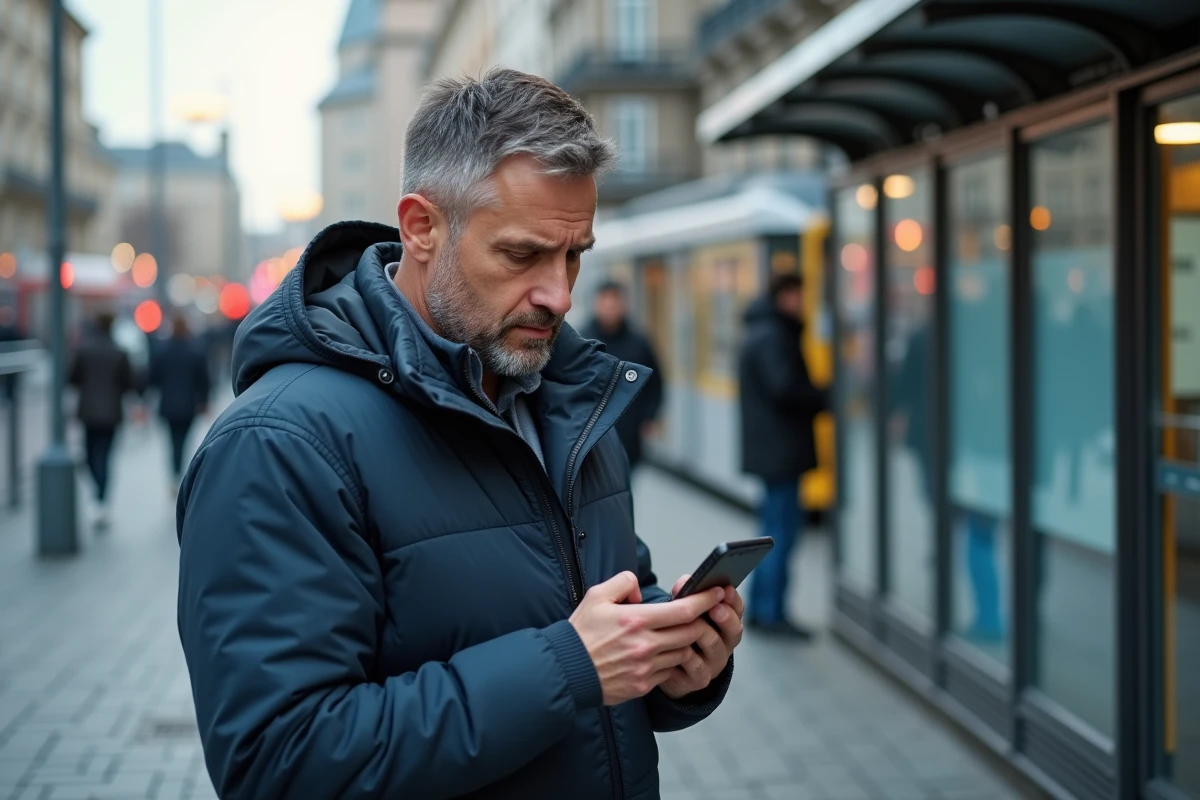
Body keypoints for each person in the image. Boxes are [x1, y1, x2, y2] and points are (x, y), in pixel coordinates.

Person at [177, 68, 742, 800]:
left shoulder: (562, 393)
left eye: (574, 255)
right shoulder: (277, 444)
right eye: (521, 255)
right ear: (421, 228)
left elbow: (602, 615)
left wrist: (675, 663)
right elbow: (279, 763)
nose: (559, 293)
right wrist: (568, 666)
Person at [737, 272, 827, 640]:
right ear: (786, 296)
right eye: (799, 296)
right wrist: (826, 395)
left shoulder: (761, 331)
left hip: (773, 452)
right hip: (781, 453)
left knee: (772, 532)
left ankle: (762, 610)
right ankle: (772, 614)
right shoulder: (775, 335)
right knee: (781, 534)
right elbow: (785, 390)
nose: (803, 304)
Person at [580, 280, 663, 470]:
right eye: (605, 301)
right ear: (596, 303)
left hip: (630, 429)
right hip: (590, 432)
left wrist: (650, 416)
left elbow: (655, 381)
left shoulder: (639, 342)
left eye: (615, 301)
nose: (610, 306)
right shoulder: (582, 341)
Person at [68, 312, 136, 529]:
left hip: (88, 412)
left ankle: (98, 497)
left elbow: (72, 378)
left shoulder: (83, 350)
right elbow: (128, 383)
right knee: (104, 456)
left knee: (89, 454)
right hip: (112, 412)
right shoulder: (119, 352)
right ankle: (101, 499)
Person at [149, 315, 211, 493]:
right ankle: (181, 473)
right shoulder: (195, 350)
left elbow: (153, 378)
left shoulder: (162, 350)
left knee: (172, 442)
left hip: (168, 405)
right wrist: (205, 401)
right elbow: (204, 380)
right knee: (183, 441)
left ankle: (175, 475)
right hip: (189, 405)